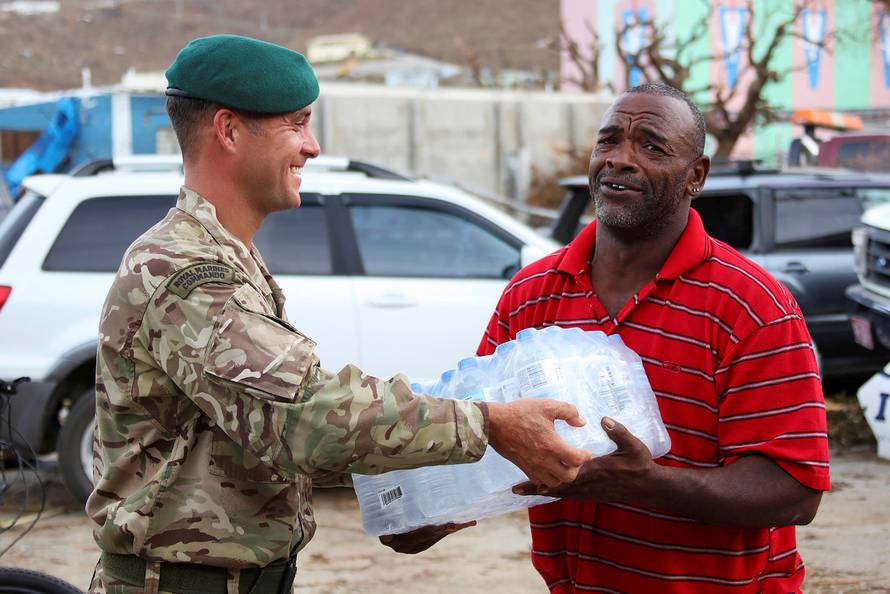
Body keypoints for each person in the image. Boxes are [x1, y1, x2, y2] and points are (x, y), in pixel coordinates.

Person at [86, 34, 592, 594]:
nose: (312, 146)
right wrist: (488, 424)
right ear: (228, 130)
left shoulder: (228, 255)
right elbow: (303, 415)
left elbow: (260, 437)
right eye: (296, 124)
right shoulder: (184, 271)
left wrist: (412, 489)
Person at [386, 83, 831, 593]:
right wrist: (432, 508)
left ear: (697, 176)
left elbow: (795, 492)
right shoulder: (531, 293)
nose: (620, 160)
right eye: (608, 142)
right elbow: (491, 430)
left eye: (651, 146)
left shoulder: (750, 304)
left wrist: (644, 485)